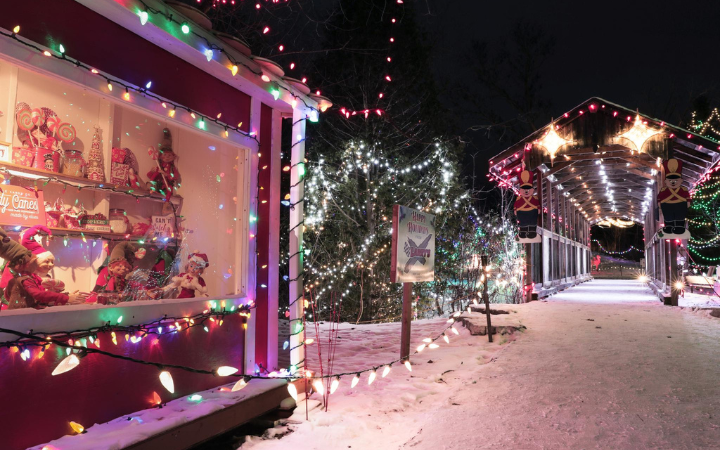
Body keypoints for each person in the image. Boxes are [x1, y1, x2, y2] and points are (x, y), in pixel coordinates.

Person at [4, 226, 89, 309]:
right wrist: (66, 298)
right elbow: (39, 295)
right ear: (27, 264)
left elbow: (8, 295)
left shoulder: (28, 278)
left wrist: (66, 296)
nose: (36, 264)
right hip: (23, 314)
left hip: (25, 312)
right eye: (35, 262)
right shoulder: (25, 279)